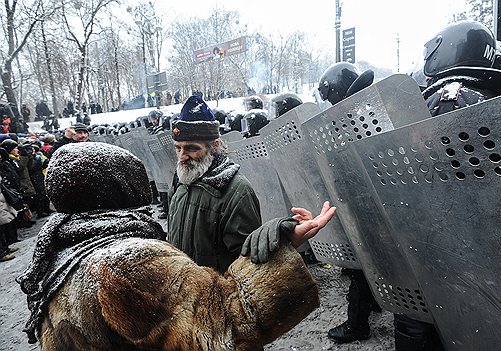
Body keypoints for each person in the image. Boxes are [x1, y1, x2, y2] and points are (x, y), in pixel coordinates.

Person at [17, 141, 336, 350]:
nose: (182, 155)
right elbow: (228, 322)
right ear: (121, 188)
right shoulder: (129, 261)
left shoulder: (59, 253)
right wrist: (284, 246)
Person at [394, 21, 501, 351]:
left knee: (417, 317)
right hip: (489, 260)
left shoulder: (436, 101)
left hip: (429, 246)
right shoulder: (488, 100)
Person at [316, 61, 381, 344]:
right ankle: (376, 301)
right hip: (376, 206)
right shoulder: (365, 114)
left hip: (364, 206)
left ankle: (357, 324)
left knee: (360, 267)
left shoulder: (350, 122)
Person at [167, 95, 262, 274]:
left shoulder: (237, 191)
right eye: (178, 148)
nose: (182, 156)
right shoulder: (180, 180)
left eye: (191, 148)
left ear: (214, 146)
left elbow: (247, 262)